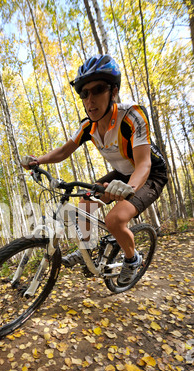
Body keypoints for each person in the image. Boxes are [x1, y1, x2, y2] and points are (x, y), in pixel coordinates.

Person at [21, 54, 168, 287]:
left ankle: (132, 259)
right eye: (84, 93)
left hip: (150, 174)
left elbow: (144, 164)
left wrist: (129, 188)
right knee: (84, 207)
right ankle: (86, 251)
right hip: (122, 173)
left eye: (98, 89)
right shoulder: (88, 126)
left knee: (115, 219)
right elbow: (63, 151)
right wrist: (37, 160)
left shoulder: (132, 116)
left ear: (114, 92)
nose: (90, 99)